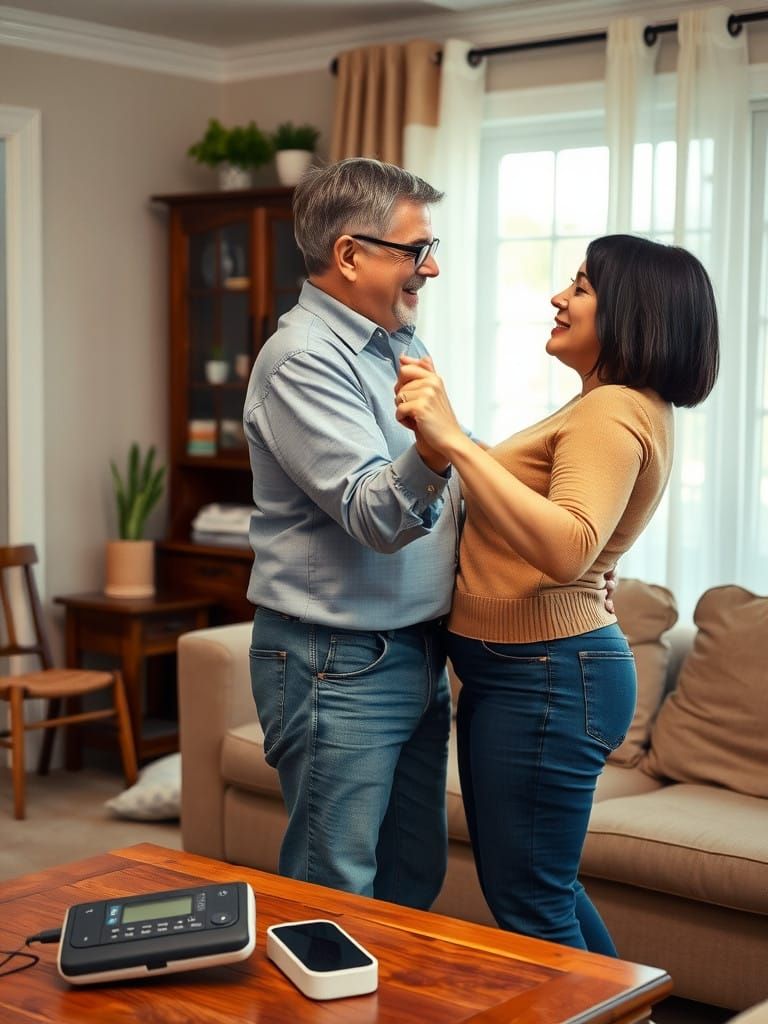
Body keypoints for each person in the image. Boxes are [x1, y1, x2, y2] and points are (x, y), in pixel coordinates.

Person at [394, 234, 719, 953]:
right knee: (540, 889)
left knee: (531, 902)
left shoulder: (612, 412)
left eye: (580, 287)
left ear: (633, 311)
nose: (558, 298)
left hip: (544, 676)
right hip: (530, 672)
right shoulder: (611, 408)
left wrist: (455, 442)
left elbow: (569, 546)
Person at [242, 157, 459, 909]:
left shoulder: (402, 345)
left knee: (411, 881)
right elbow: (375, 511)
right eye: (415, 250)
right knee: (332, 894)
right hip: (339, 662)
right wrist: (438, 445)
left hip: (416, 651)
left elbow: (446, 485)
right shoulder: (303, 359)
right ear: (349, 253)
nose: (430, 269)